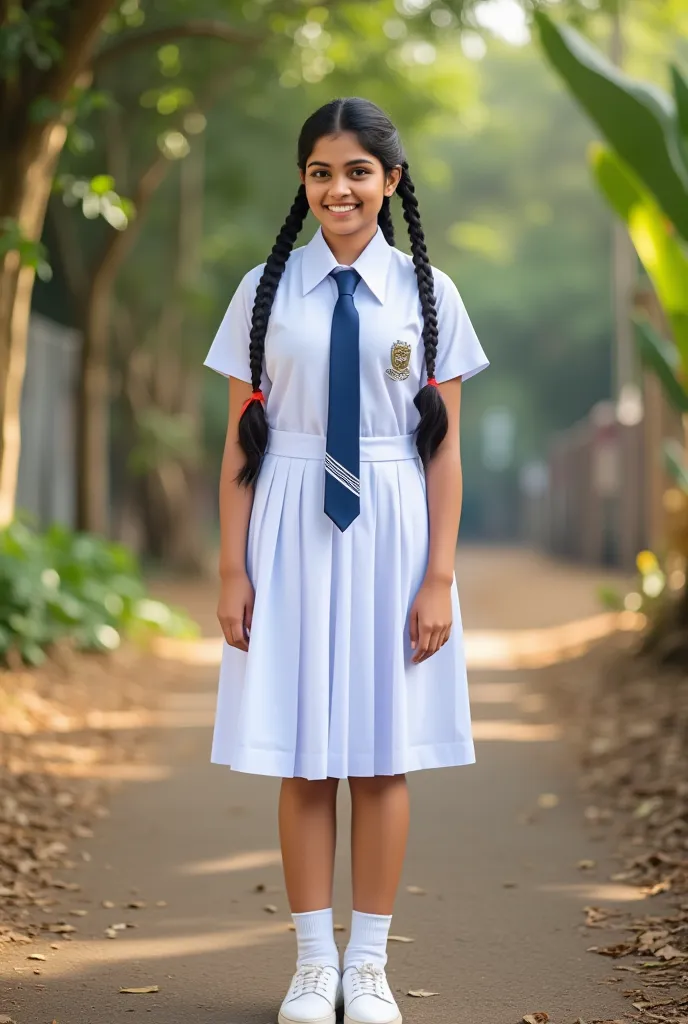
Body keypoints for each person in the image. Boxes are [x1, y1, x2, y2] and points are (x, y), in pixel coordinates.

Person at [204, 96, 489, 1024]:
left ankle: (369, 966)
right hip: (287, 519)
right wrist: (232, 567)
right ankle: (311, 965)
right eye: (322, 172)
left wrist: (439, 575)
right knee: (304, 758)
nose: (340, 189)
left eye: (359, 172)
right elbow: (242, 436)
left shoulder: (429, 294)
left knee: (378, 753)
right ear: (304, 181)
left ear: (391, 181)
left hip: (392, 525)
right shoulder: (263, 289)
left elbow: (441, 445)